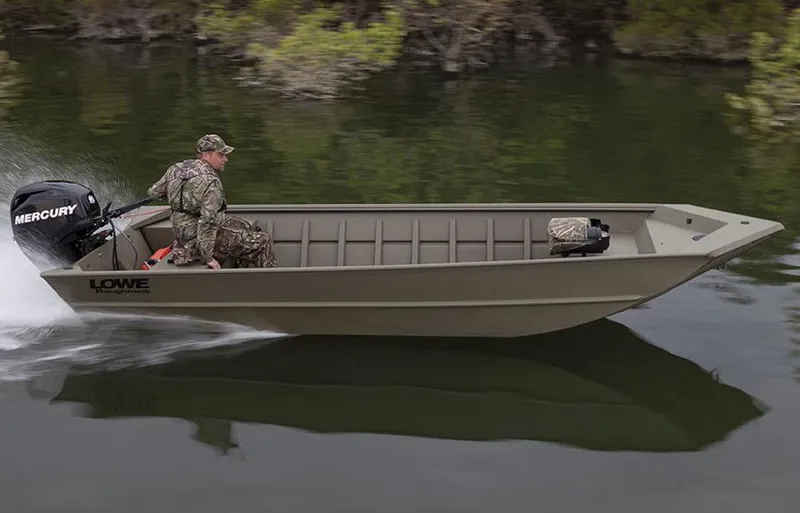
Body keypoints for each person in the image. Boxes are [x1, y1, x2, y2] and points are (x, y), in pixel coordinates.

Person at [147, 133, 277, 269]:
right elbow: (207, 223)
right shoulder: (211, 183)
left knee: (246, 225)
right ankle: (269, 283)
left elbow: (154, 193)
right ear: (206, 155)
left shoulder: (175, 170)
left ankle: (241, 271)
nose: (225, 159)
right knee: (263, 241)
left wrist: (177, 193)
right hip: (198, 236)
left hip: (182, 232)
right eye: (220, 155)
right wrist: (208, 258)